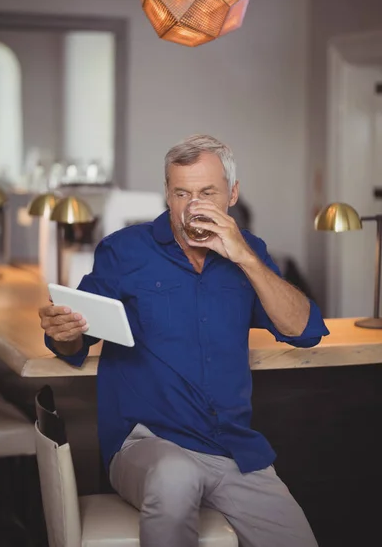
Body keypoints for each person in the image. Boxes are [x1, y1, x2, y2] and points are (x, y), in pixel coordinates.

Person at [39, 134, 329, 547]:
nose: (192, 206)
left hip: (232, 451)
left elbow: (304, 331)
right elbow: (74, 343)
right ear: (167, 194)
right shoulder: (124, 251)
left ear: (232, 194)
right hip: (147, 445)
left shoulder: (250, 253)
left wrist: (244, 256)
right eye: (181, 193)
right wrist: (63, 334)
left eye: (206, 192)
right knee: (176, 476)